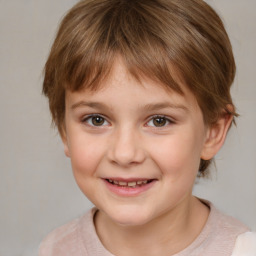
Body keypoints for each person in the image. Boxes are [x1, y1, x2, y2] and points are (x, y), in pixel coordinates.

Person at [39, 0, 256, 255]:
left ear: (213, 131)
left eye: (159, 120)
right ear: (64, 130)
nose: (124, 154)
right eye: (96, 120)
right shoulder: (55, 249)